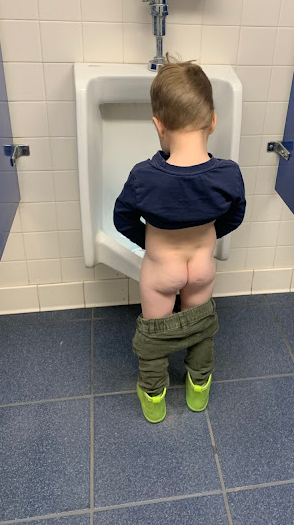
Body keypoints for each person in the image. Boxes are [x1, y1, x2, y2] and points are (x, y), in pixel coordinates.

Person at [114, 57, 246, 423]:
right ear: (213, 122)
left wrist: (152, 246)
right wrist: (210, 236)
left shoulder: (144, 177)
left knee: (154, 338)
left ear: (159, 125)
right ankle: (198, 387)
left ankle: (154, 397)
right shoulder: (228, 174)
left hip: (162, 272)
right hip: (202, 268)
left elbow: (122, 219)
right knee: (200, 329)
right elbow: (235, 214)